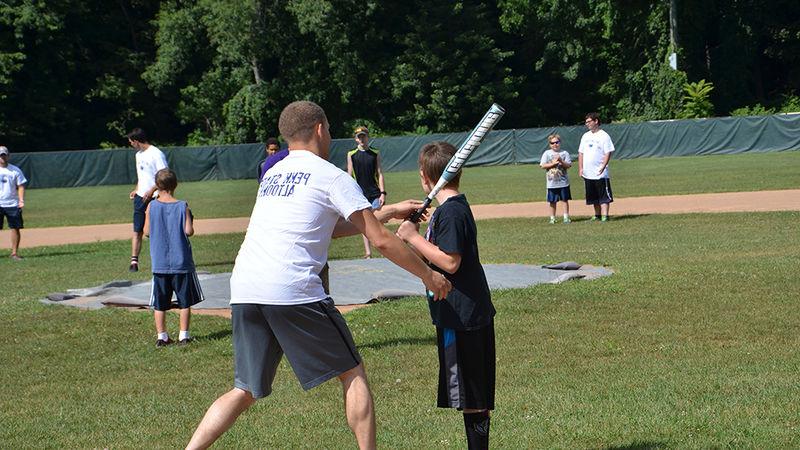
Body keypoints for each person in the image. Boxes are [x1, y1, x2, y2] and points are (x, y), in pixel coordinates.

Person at [186, 101, 451, 450]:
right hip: (292, 290)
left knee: (244, 389)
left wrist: (385, 211)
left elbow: (323, 226)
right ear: (320, 129)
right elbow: (381, 242)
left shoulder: (274, 174)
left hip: (246, 288)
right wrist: (429, 277)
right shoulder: (330, 175)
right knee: (352, 372)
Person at [396, 141, 496, 450]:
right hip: (461, 313)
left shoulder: (451, 212)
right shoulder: (450, 209)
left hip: (462, 316)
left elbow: (451, 261)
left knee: (472, 398)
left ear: (424, 176)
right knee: (471, 395)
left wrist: (412, 238)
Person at [143, 169, 204, 347]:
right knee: (185, 302)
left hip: (160, 262)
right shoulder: (182, 205)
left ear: (157, 186)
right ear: (175, 185)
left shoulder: (151, 207)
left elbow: (146, 232)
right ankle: (183, 336)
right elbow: (188, 231)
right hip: (181, 262)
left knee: (160, 303)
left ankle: (161, 336)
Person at [127, 128, 168, 272]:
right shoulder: (138, 155)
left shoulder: (156, 154)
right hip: (140, 198)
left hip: (155, 198)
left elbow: (165, 176)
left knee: (154, 231)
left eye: (131, 142)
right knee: (137, 229)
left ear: (137, 141)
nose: (131, 144)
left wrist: (152, 191)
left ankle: (161, 259)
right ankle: (134, 262)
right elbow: (142, 176)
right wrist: (137, 188)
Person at [346, 126, 386, 259]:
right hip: (359, 195)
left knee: (377, 221)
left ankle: (382, 249)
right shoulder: (351, 154)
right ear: (356, 139)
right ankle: (368, 252)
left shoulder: (375, 153)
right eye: (359, 136)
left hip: (374, 193)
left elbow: (380, 173)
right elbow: (349, 175)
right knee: (365, 224)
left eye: (364, 136)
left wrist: (382, 192)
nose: (362, 139)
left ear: (368, 137)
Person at [578, 112, 615, 221]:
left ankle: (605, 216)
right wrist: (580, 168)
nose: (587, 124)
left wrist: (603, 166)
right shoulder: (585, 136)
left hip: (600, 172)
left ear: (596, 121)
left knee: (603, 194)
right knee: (593, 195)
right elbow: (581, 153)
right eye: (586, 122)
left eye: (589, 121)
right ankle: (597, 215)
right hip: (588, 172)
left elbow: (608, 152)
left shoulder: (604, 135)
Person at [0, 146, 27, 260]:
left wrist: (21, 200)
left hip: (12, 204)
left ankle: (14, 253)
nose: (2, 157)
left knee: (15, 228)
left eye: (4, 155)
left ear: (8, 155)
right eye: (0, 155)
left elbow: (21, 185)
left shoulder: (15, 170)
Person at [539, 133, 572, 224]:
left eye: (556, 142)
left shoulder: (564, 153)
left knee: (564, 200)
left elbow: (568, 165)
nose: (555, 144)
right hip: (551, 183)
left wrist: (561, 160)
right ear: (550, 144)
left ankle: (566, 217)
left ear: (560, 142)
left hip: (563, 182)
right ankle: (552, 218)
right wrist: (553, 164)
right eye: (552, 143)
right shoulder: (547, 153)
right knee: (552, 201)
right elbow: (542, 165)